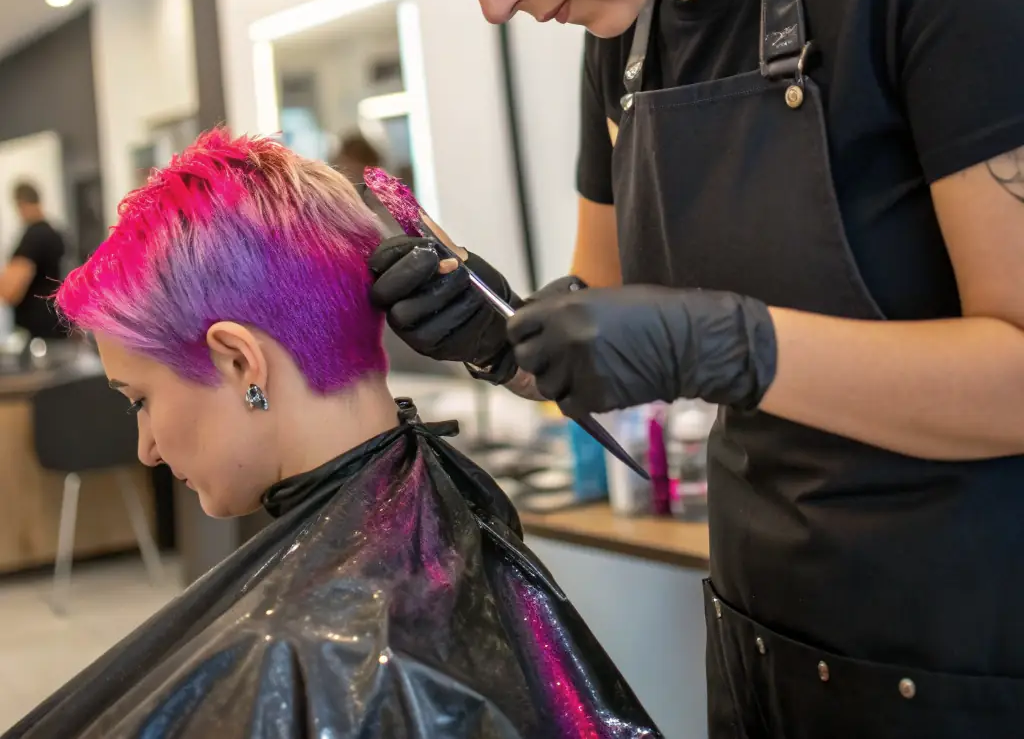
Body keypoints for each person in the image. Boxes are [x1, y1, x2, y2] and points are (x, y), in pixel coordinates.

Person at [283, 0, 1024, 738]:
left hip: (974, 663)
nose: (492, 1)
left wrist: (728, 341)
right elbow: (610, 333)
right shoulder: (624, 42)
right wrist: (503, 334)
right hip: (765, 644)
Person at [12, 129, 658, 739]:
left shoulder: (308, 653)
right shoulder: (416, 540)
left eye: (141, 401)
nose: (146, 447)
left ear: (240, 360)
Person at [0, 181, 66, 339]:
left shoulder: (33, 237)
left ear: (21, 204)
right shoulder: (55, 233)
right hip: (57, 323)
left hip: (37, 333)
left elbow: (9, 291)